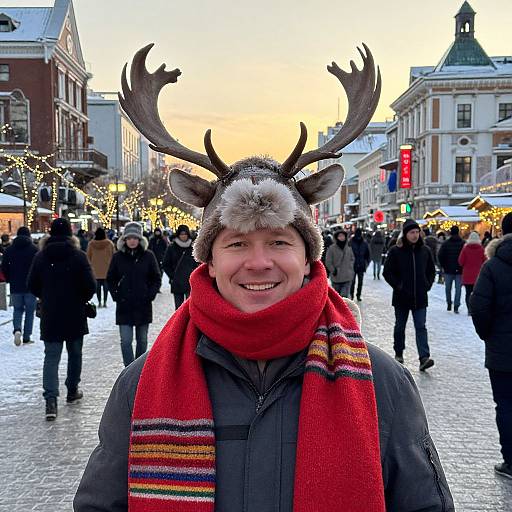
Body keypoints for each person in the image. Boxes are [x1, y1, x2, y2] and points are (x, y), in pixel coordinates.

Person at [74, 44, 453, 511]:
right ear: (209, 261)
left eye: (278, 241)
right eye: (236, 244)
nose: (258, 262)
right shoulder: (142, 385)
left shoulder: (383, 384)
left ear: (308, 255)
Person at [27, 218, 96, 421]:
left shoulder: (41, 257)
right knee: (75, 354)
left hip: (51, 315)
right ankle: (72, 389)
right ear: (70, 234)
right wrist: (79, 298)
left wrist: (47, 296)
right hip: (74, 313)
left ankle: (50, 399)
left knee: (51, 357)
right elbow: (90, 286)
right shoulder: (78, 256)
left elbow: (32, 284)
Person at [470, 212, 512, 479]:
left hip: (502, 350)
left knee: (506, 404)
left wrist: (489, 335)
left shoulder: (494, 265)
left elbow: (479, 305)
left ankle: (510, 460)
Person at [383, 219, 436, 371]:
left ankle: (424, 357)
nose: (415, 235)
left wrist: (427, 284)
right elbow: (387, 272)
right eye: (411, 232)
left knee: (421, 327)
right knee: (400, 326)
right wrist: (398, 286)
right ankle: (399, 353)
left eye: (417, 232)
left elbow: (431, 271)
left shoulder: (425, 251)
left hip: (420, 297)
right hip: (401, 297)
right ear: (405, 234)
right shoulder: (395, 251)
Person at [107, 222, 161, 367]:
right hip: (124, 305)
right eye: (129, 238)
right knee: (125, 341)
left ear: (139, 239)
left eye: (135, 238)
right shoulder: (118, 257)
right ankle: (128, 369)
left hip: (143, 305)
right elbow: (111, 278)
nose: (132, 241)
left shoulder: (148, 256)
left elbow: (156, 277)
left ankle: (138, 369)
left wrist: (150, 294)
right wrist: (117, 295)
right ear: (124, 240)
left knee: (142, 340)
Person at [1, 226, 38, 345]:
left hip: (15, 285)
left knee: (17, 309)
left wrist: (8, 278)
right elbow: (38, 267)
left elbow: (4, 267)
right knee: (29, 311)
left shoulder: (10, 250)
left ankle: (17, 329)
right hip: (30, 285)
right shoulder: (34, 249)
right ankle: (27, 336)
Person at [162, 224, 198, 309]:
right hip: (177, 282)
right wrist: (172, 275)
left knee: (191, 308)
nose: (183, 236)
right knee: (179, 309)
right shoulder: (172, 247)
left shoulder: (192, 247)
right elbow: (165, 264)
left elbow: (198, 262)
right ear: (178, 235)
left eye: (185, 234)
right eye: (181, 234)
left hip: (190, 281)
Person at [438, 226, 465, 313]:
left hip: (448, 270)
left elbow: (440, 255)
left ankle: (449, 303)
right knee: (458, 289)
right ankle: (456, 305)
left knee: (448, 288)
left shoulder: (446, 243)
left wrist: (443, 265)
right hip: (459, 270)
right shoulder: (463, 243)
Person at [458, 231, 486, 316]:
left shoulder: (465, 249)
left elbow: (460, 262)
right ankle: (475, 308)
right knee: (476, 293)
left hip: (467, 275)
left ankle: (469, 309)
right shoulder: (481, 249)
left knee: (468, 293)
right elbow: (485, 261)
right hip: (478, 275)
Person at [87, 227, 115, 308]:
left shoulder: (91, 244)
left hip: (95, 268)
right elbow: (114, 255)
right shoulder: (110, 244)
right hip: (107, 267)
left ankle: (99, 302)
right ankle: (105, 302)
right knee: (106, 285)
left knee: (98, 286)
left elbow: (88, 256)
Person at [325, 228, 355, 297]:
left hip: (347, 277)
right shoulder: (331, 248)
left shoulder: (348, 248)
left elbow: (352, 259)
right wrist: (334, 270)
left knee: (344, 297)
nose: (341, 237)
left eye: (343, 236)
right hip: (336, 278)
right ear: (336, 237)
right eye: (340, 236)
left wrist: (350, 269)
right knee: (337, 298)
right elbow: (328, 261)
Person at [349, 227, 370, 300]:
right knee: (352, 282)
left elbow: (368, 255)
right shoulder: (351, 242)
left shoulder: (364, 243)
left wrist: (366, 263)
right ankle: (351, 295)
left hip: (361, 265)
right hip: (353, 265)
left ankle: (358, 295)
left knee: (360, 282)